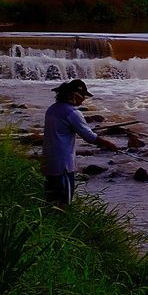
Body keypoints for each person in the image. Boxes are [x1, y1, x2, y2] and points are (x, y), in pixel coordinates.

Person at [42, 79, 119, 207]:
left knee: (50, 201)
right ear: (74, 95)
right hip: (63, 166)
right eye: (83, 96)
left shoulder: (52, 109)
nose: (83, 99)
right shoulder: (73, 113)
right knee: (63, 204)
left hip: (48, 163)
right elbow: (89, 136)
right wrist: (109, 145)